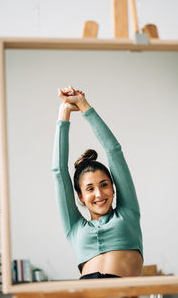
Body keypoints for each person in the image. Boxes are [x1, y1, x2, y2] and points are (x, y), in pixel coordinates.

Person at [52, 86, 143, 279]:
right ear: (80, 196)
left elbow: (114, 151)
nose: (99, 194)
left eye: (104, 184)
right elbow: (59, 172)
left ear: (114, 187)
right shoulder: (74, 228)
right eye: (90, 189)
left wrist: (83, 105)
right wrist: (64, 111)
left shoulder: (128, 214)